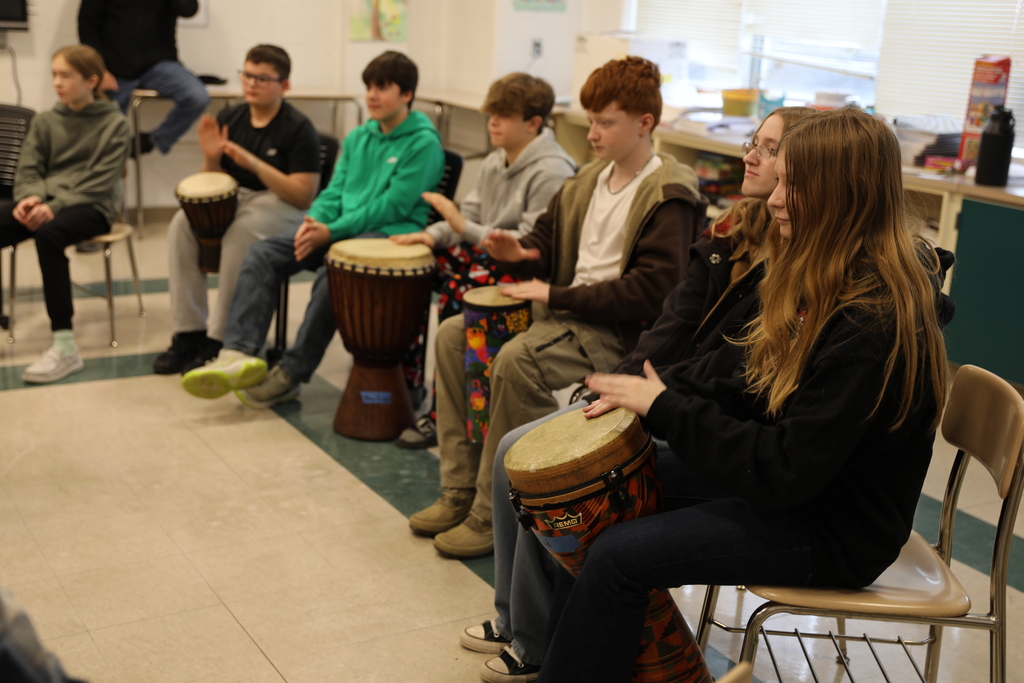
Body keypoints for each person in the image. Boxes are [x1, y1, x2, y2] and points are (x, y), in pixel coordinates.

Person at [536, 107, 952, 682]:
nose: (775, 199)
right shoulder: (830, 271)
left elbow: (785, 469)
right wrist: (658, 389)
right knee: (594, 501)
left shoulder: (873, 319)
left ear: (841, 195)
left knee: (616, 557)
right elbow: (756, 383)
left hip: (835, 526)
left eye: (792, 185)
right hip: (804, 488)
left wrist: (667, 409)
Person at [466, 106, 818, 683]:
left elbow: (731, 368)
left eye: (772, 149)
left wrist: (652, 399)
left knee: (559, 483)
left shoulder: (793, 264)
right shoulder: (732, 231)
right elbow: (672, 322)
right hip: (682, 403)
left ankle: (534, 642)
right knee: (526, 457)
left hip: (720, 434)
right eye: (753, 142)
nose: (751, 156)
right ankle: (521, 622)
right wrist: (621, 388)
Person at [408, 56, 706, 561]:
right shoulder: (589, 179)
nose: (591, 133)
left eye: (605, 122)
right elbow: (546, 236)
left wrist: (552, 293)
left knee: (514, 362)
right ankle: (458, 488)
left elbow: (650, 295)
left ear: (645, 124)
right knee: (453, 336)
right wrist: (522, 252)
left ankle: (494, 508)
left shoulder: (668, 194)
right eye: (590, 120)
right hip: (566, 317)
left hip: (614, 331)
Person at [180, 51, 444, 407]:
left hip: (390, 235)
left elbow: (390, 207)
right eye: (369, 87)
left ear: (407, 94)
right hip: (339, 228)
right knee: (263, 253)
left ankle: (292, 373)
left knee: (333, 269)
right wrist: (314, 222)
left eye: (383, 87)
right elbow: (333, 191)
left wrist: (331, 232)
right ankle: (238, 352)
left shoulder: (424, 143)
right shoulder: (358, 138)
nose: (372, 96)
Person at [390, 71, 576, 449]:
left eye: (504, 115)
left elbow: (526, 245)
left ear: (533, 123)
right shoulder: (496, 160)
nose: (492, 122)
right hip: (487, 255)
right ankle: (409, 385)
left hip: (523, 269)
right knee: (414, 269)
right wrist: (431, 235)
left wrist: (461, 226)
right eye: (492, 113)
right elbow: (468, 217)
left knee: (461, 287)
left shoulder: (552, 170)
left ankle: (454, 413)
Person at [152, 44, 321, 374]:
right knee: (181, 224)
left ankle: (222, 338)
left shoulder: (299, 128)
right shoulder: (230, 117)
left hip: (282, 203)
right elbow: (210, 185)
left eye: (262, 78)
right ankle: (188, 333)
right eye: (247, 75)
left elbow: (303, 195)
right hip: (239, 198)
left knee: (241, 230)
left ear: (284, 85)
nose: (251, 84)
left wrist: (255, 164)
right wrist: (212, 157)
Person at [0, 45, 130, 384]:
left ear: (91, 80)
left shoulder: (115, 124)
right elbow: (28, 169)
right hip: (46, 202)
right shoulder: (45, 121)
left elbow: (99, 182)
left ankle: (64, 344)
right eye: (54, 75)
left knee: (50, 234)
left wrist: (52, 207)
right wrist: (30, 199)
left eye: (65, 75)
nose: (57, 82)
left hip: (93, 205)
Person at [78, 0, 210, 156]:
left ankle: (154, 140)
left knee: (197, 96)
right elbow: (87, 24)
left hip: (159, 64)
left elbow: (189, 9)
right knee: (104, 139)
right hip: (114, 70)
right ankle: (111, 168)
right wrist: (100, 69)